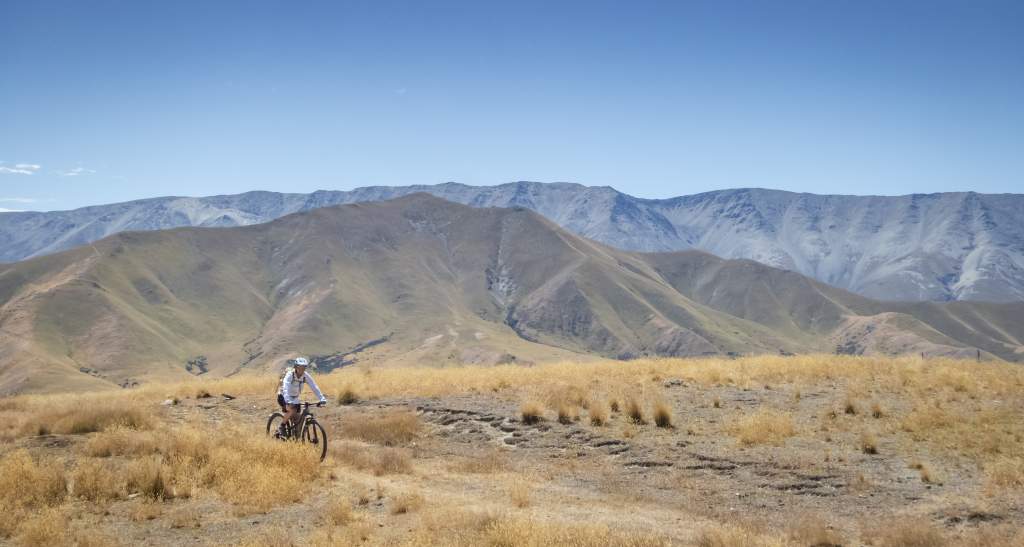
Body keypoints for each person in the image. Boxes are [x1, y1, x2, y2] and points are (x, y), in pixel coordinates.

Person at [277, 357, 327, 435]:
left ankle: (295, 436)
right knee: (292, 410)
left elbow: (314, 386)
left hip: (294, 398)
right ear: (296, 367)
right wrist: (288, 401)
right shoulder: (290, 375)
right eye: (300, 367)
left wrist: (321, 398)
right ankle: (282, 426)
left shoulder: (305, 375)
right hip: (283, 396)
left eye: (304, 367)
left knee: (298, 418)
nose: (302, 369)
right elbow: (285, 387)